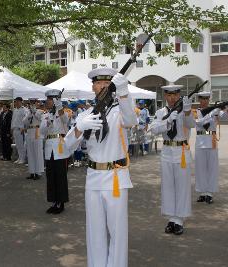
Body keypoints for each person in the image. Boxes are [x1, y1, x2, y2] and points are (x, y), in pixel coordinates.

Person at [64, 67, 137, 267]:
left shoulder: (120, 110)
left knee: (117, 231)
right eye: (99, 83)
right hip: (93, 177)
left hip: (115, 178)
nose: (103, 86)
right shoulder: (86, 114)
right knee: (95, 231)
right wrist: (80, 127)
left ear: (111, 86)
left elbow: (131, 121)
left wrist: (123, 93)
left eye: (107, 83)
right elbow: (68, 146)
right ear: (93, 87)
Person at [149, 85, 195, 235]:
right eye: (169, 95)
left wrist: (187, 111)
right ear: (165, 96)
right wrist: (167, 121)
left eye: (175, 95)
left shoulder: (185, 110)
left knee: (182, 186)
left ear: (179, 95)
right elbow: (154, 129)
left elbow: (191, 124)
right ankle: (171, 218)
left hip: (181, 151)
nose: (172, 98)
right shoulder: (160, 112)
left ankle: (179, 220)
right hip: (167, 151)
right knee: (168, 186)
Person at [194, 91, 228, 204]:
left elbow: (226, 116)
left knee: (212, 169)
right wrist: (211, 114)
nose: (204, 101)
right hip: (200, 141)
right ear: (199, 99)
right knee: (200, 169)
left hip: (211, 141)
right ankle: (202, 193)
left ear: (209, 99)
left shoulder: (215, 110)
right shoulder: (195, 112)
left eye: (207, 99)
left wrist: (223, 109)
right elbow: (198, 123)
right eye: (202, 99)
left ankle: (209, 193)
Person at [40, 89, 70, 214]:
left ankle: (61, 202)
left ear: (55, 101)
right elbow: (42, 131)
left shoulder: (63, 112)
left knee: (60, 176)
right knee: (51, 176)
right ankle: (53, 201)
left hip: (59, 148)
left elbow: (65, 121)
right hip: (49, 148)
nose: (47, 102)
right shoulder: (45, 115)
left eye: (49, 100)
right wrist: (47, 123)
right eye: (47, 100)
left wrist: (59, 108)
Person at [23, 98, 44, 180]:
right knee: (30, 153)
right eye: (31, 103)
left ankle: (38, 172)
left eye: (33, 103)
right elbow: (24, 122)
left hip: (37, 132)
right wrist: (29, 114)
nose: (32, 105)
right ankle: (32, 172)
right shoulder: (28, 112)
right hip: (29, 132)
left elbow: (40, 118)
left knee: (37, 153)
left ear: (37, 103)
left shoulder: (40, 111)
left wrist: (34, 111)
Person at [11, 97, 28, 164]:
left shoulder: (24, 110)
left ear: (21, 102)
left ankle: (23, 159)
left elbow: (26, 120)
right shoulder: (15, 110)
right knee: (17, 145)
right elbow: (13, 120)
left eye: (18, 101)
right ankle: (20, 157)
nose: (16, 103)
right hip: (15, 129)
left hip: (21, 129)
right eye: (16, 101)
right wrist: (11, 129)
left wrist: (24, 128)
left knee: (21, 145)